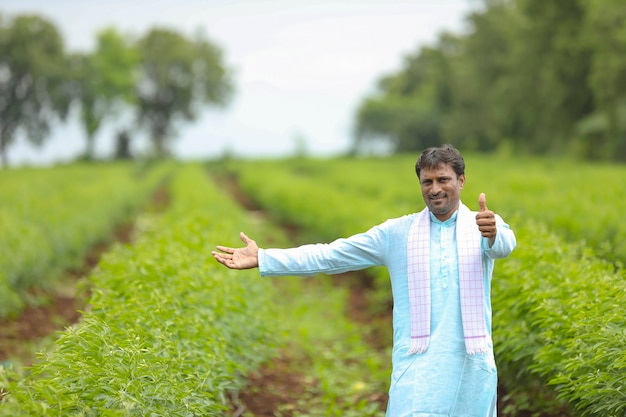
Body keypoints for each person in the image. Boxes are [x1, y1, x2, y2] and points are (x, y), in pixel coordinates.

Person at [212, 144, 516, 417]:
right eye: (427, 182)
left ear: (461, 181)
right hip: (418, 366)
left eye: (443, 180)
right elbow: (330, 255)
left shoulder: (483, 224)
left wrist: (492, 233)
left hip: (471, 365)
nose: (435, 189)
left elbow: (504, 245)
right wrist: (264, 258)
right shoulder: (397, 234)